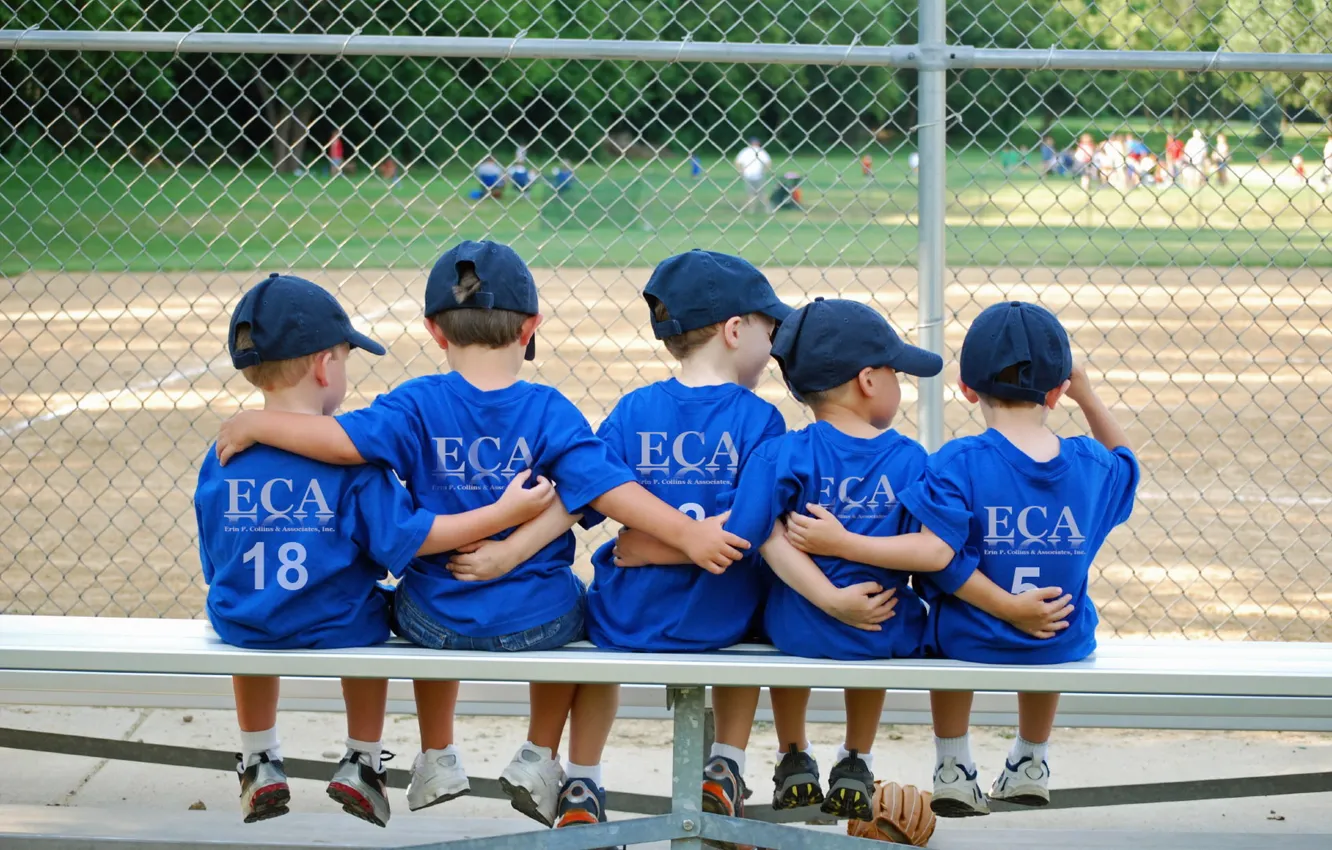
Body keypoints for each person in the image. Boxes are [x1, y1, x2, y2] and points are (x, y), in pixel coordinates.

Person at [214, 240, 752, 827]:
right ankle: (539, 755)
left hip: (432, 623)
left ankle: (437, 755)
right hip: (536, 625)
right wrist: (684, 532)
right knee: (580, 601)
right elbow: (604, 487)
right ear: (531, 328)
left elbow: (341, 442)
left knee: (416, 588)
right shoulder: (549, 409)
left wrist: (257, 420)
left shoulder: (415, 403)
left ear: (435, 331)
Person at [197, 273, 558, 826]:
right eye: (344, 359)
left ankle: (259, 757)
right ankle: (362, 759)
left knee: (249, 606)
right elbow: (411, 539)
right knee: (376, 607)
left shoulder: (222, 453)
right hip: (336, 625)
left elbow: (216, 558)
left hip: (244, 622)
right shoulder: (355, 466)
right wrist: (504, 517)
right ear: (324, 366)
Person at [565, 251, 874, 834]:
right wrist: (702, 542)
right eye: (769, 330)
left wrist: (653, 544)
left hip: (628, 618)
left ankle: (582, 777)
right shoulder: (760, 421)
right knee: (763, 605)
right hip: (723, 619)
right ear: (735, 331)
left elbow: (597, 497)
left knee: (595, 630)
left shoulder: (632, 410)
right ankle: (726, 764)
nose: (775, 348)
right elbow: (754, 526)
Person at [793, 302, 1136, 817]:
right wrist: (1087, 394)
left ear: (966, 388)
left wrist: (1002, 608)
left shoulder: (958, 461)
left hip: (971, 640)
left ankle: (953, 766)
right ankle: (1031, 760)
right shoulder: (1089, 463)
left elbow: (941, 562)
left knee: (940, 633)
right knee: (1056, 618)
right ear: (1058, 390)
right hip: (1060, 642)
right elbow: (1128, 466)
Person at [718, 297, 944, 821]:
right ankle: (857, 758)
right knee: (882, 628)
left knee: (778, 624)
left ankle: (794, 753)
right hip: (880, 627)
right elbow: (928, 550)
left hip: (796, 627)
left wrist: (825, 596)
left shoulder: (782, 453)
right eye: (895, 372)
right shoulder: (911, 459)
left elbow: (754, 532)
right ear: (868, 381)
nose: (899, 383)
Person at [735, 137, 772, 214]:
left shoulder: (746, 151)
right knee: (761, 193)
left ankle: (752, 210)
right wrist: (764, 170)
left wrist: (740, 171)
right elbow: (768, 162)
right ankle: (765, 209)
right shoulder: (760, 151)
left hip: (749, 175)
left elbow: (737, 162)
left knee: (752, 194)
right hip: (757, 175)